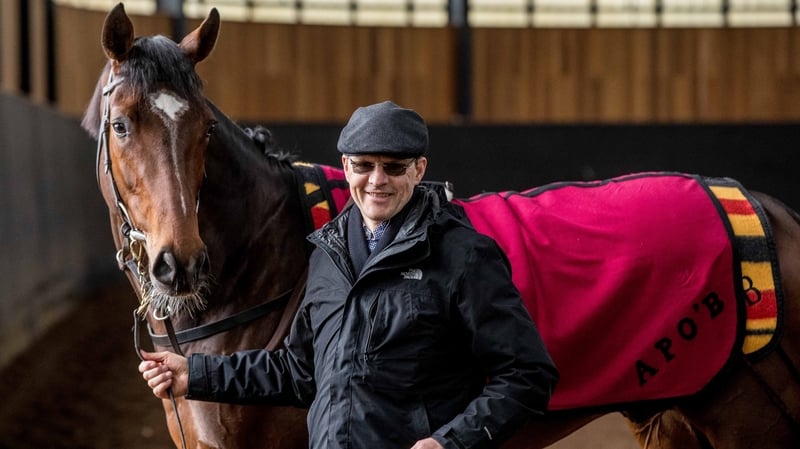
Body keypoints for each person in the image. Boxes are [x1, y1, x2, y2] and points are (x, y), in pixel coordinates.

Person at [139, 100, 559, 449]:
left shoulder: (464, 255)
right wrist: (193, 374)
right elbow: (299, 371)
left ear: (419, 168)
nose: (377, 180)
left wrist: (453, 443)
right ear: (346, 165)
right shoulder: (326, 256)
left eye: (394, 167)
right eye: (364, 165)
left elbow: (527, 374)